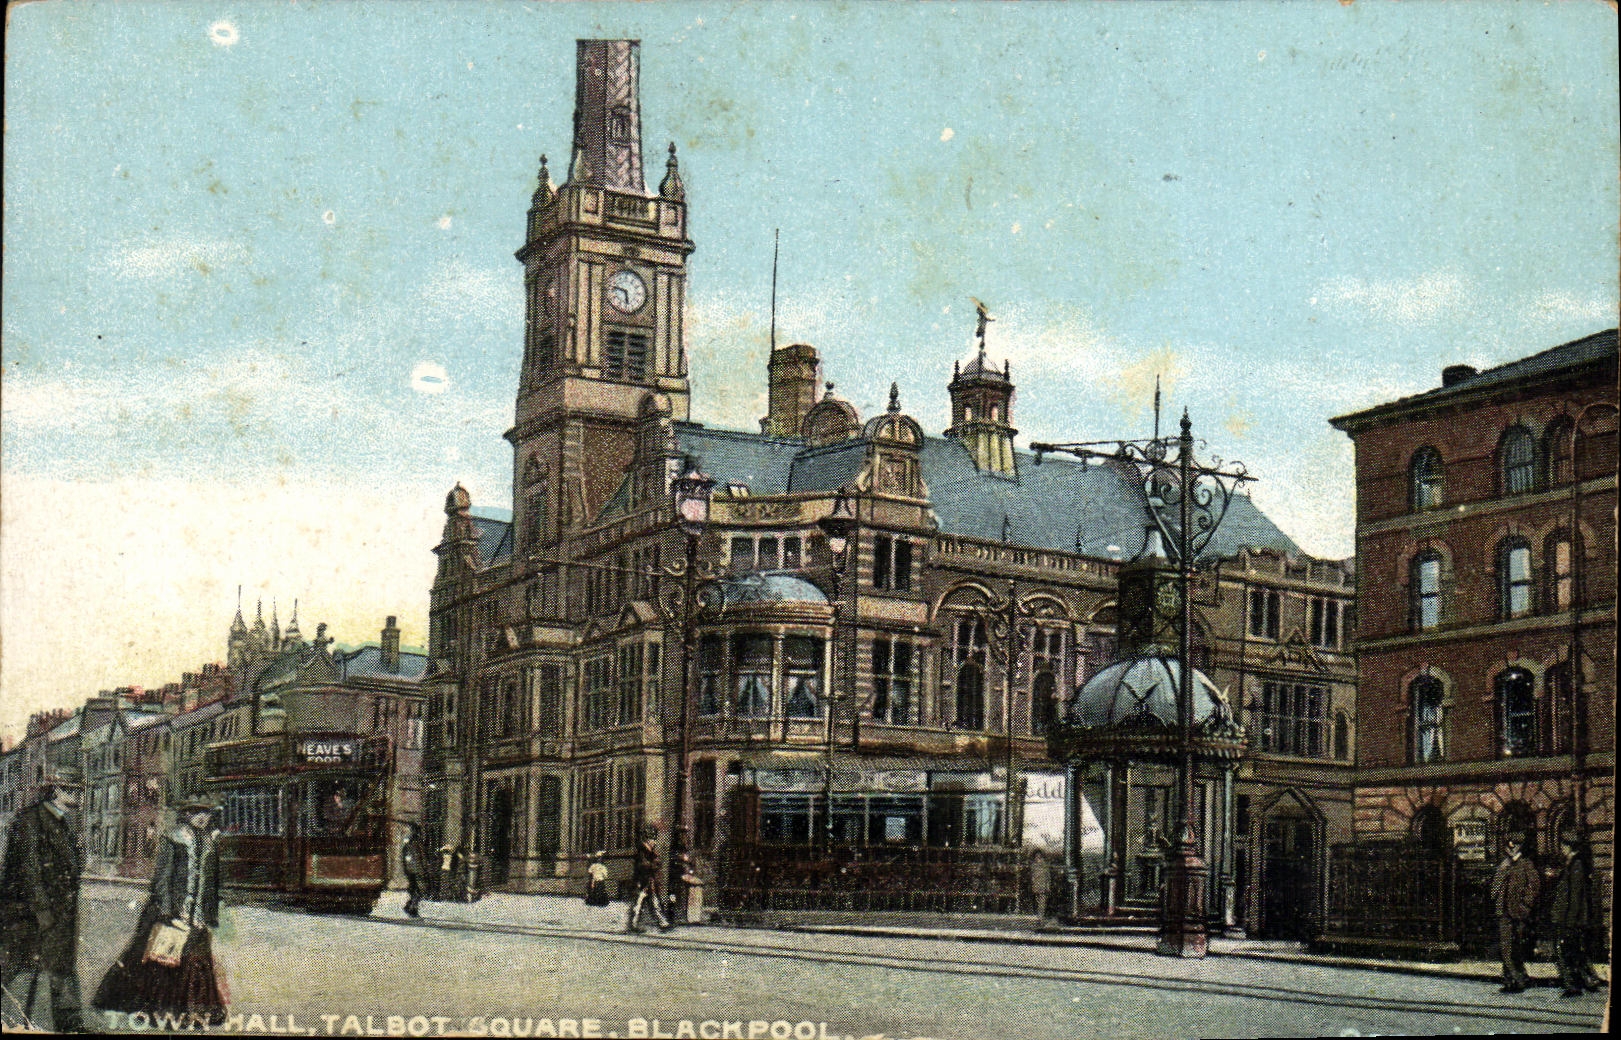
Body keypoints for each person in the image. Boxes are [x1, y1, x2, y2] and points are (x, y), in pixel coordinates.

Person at [92, 800, 228, 1026]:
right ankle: (161, 1011)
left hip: (197, 916)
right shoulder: (172, 840)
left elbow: (211, 884)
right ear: (185, 815)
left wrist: (208, 914)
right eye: (196, 812)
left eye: (205, 812)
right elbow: (162, 880)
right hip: (171, 913)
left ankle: (195, 1011)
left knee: (194, 961)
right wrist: (169, 913)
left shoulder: (209, 843)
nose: (201, 817)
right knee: (162, 962)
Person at [0, 778, 86, 1033]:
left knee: (62, 968)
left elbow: (71, 868)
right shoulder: (31, 820)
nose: (79, 797)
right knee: (10, 966)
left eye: (80, 792)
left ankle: (71, 1025)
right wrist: (41, 911)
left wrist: (79, 852)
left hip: (58, 911)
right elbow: (29, 869)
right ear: (56, 791)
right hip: (28, 913)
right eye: (72, 791)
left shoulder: (65, 822)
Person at [1547, 828, 1602, 997]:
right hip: (1567, 917)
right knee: (1573, 950)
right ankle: (1588, 979)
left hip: (1570, 919)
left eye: (1563, 845)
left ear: (1570, 846)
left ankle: (1573, 985)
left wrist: (1570, 921)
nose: (1561, 848)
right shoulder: (1570, 863)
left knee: (1563, 951)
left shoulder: (1576, 865)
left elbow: (1575, 896)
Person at [1489, 831, 1539, 994]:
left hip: (1518, 912)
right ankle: (1515, 980)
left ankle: (1517, 978)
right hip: (1503, 912)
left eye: (1514, 846)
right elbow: (1494, 891)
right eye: (1508, 847)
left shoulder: (1526, 865)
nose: (1511, 850)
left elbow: (1534, 887)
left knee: (1514, 947)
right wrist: (1502, 871)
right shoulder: (1503, 865)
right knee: (1506, 948)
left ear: (1520, 847)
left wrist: (1525, 907)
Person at [626, 825, 670, 933]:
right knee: (639, 904)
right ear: (648, 840)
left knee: (654, 903)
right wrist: (654, 864)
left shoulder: (649, 852)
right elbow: (643, 866)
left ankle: (662, 922)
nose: (654, 842)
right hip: (642, 882)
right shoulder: (643, 852)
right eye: (653, 839)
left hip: (649, 882)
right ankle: (633, 924)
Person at [400, 824, 426, 918]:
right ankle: (411, 909)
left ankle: (410, 907)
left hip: (411, 869)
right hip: (415, 870)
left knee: (415, 890)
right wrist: (423, 868)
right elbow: (420, 857)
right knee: (417, 891)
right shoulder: (415, 842)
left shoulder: (410, 842)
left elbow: (405, 856)